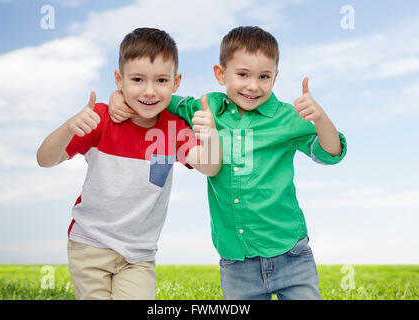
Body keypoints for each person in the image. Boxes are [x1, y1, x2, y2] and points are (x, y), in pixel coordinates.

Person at [108, 26, 347, 300]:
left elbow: (332, 153)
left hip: (290, 253)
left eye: (264, 76)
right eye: (243, 74)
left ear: (275, 78)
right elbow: (153, 101)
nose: (253, 85)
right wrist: (117, 97)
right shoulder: (205, 107)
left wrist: (320, 117)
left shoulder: (287, 118)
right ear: (221, 74)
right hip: (236, 261)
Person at [36, 28, 221, 300]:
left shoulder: (173, 128)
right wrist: (69, 126)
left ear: (176, 82)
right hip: (89, 246)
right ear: (119, 80)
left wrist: (212, 137)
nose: (149, 91)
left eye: (161, 80)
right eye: (137, 79)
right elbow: (44, 159)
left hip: (139, 256)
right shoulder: (100, 118)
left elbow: (209, 167)